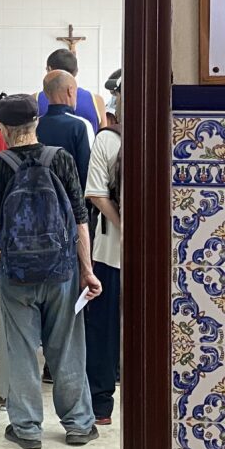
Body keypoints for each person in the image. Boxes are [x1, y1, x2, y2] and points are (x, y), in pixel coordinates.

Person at [0, 94, 102, 449]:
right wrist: (87, 271)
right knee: (67, 349)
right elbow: (80, 219)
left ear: (3, 127)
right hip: (61, 271)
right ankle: (78, 425)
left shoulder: (0, 164)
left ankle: (27, 429)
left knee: (22, 350)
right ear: (36, 123)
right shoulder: (60, 158)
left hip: (16, 273)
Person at [84, 79, 122, 427]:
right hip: (156, 254)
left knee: (102, 329)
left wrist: (122, 224)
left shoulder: (107, 139)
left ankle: (101, 406)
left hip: (110, 251)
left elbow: (96, 194)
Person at [36, 70, 94, 191]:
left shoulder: (34, 125)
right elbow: (87, 172)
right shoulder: (80, 125)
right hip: (71, 203)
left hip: (40, 200)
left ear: (46, 94)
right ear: (70, 90)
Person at [36, 49, 107, 133]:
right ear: (76, 71)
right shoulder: (97, 101)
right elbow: (102, 138)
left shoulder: (34, 100)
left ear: (49, 69)